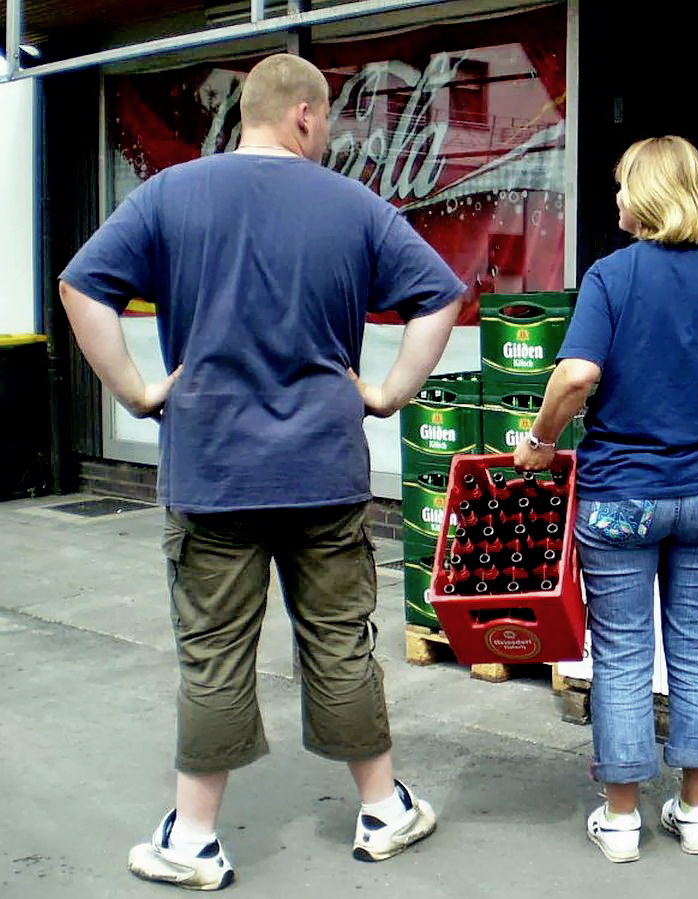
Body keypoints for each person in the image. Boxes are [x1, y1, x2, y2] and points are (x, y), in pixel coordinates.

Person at [59, 54, 465, 890]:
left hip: (212, 471)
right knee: (341, 645)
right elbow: (441, 296)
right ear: (306, 116)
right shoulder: (355, 206)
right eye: (330, 122)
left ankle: (195, 840)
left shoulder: (173, 193)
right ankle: (384, 810)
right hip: (325, 469)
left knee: (212, 652)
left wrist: (138, 392)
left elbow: (80, 287)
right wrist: (386, 393)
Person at [513, 135, 698, 862]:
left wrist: (541, 439)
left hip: (621, 497)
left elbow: (577, 375)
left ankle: (619, 821)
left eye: (622, 186)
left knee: (620, 654)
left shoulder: (610, 277)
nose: (615, 199)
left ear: (645, 197)